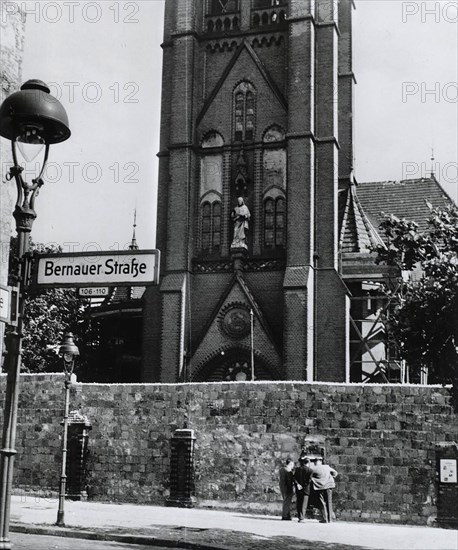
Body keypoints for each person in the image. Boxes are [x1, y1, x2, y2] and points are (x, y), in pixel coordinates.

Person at [310, 457, 338, 523]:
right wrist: (330, 477)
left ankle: (325, 518)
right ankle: (330, 519)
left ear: (314, 463)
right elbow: (335, 473)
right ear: (321, 462)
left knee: (322, 503)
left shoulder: (313, 469)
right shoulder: (327, 467)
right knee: (329, 502)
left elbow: (310, 477)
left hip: (320, 487)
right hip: (329, 486)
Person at [294, 455, 314, 522]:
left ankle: (299, 516)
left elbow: (294, 478)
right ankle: (302, 518)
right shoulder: (310, 470)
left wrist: (298, 485)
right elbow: (309, 481)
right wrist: (303, 486)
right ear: (308, 463)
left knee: (299, 503)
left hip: (298, 488)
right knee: (304, 504)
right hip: (305, 489)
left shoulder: (297, 469)